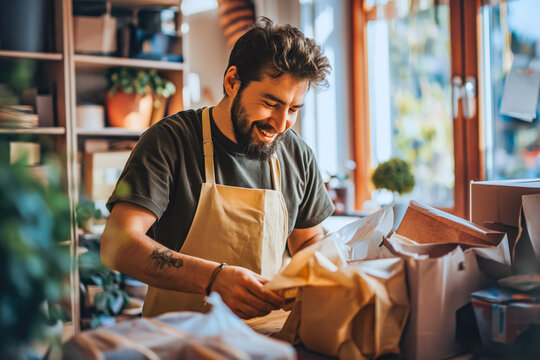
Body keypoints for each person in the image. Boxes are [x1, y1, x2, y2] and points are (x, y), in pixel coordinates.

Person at [101, 17, 334, 320]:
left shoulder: (297, 153)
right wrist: (213, 279)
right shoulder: (170, 141)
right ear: (232, 81)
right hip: (181, 340)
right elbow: (117, 244)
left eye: (292, 110)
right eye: (270, 103)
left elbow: (308, 242)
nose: (280, 124)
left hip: (267, 340)